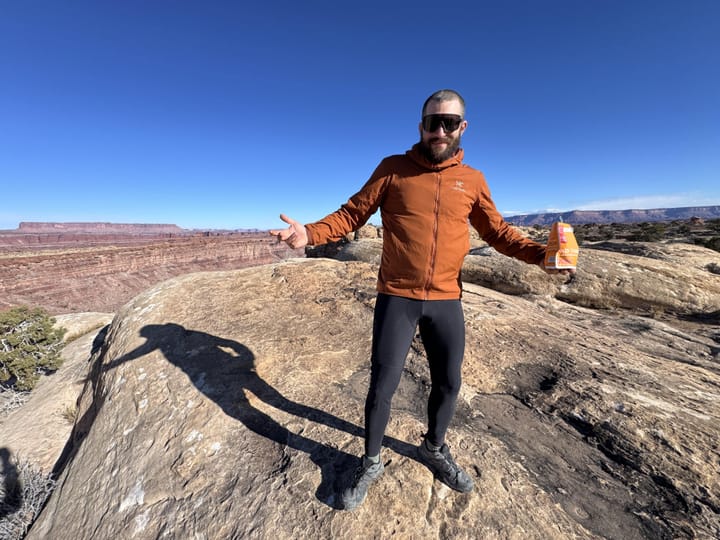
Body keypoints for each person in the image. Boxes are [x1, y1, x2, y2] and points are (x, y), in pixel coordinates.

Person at [270, 89, 572, 511]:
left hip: (447, 300)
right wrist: (311, 234)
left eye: (450, 122)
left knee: (449, 382)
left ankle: (433, 448)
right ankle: (371, 460)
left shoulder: (473, 181)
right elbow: (352, 213)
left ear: (462, 128)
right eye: (433, 122)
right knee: (382, 386)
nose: (440, 130)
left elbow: (498, 233)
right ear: (421, 126)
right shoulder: (393, 169)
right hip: (398, 297)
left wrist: (543, 256)